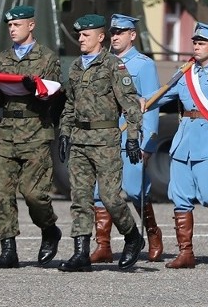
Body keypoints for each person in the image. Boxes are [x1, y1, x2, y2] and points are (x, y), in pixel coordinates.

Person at [144, 22, 208, 269]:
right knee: (180, 197)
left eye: (201, 43)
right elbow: (164, 97)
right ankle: (185, 253)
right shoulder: (186, 72)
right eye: (195, 43)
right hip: (184, 143)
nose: (197, 47)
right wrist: (143, 102)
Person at [58, 14, 145, 272]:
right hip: (80, 141)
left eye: (86, 35)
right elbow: (70, 105)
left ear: (100, 37)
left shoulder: (113, 65)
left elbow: (130, 105)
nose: (81, 39)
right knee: (80, 198)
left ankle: (132, 236)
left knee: (110, 198)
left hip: (106, 141)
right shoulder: (75, 67)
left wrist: (132, 139)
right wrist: (64, 133)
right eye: (79, 35)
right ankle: (81, 253)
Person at [0, 5, 63, 269]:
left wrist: (34, 89)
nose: (12, 30)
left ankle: (49, 228)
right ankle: (8, 249)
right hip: (7, 133)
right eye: (10, 26)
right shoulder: (1, 59)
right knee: (2, 193)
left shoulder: (47, 57)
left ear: (31, 25)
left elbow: (54, 97)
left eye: (17, 25)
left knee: (32, 193)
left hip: (36, 131)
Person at [90, 14, 164, 263]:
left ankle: (153, 234)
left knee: (134, 190)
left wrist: (148, 143)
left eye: (121, 32)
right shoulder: (103, 62)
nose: (116, 37)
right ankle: (103, 246)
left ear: (132, 35)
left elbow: (151, 105)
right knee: (100, 192)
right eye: (113, 33)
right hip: (106, 137)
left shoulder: (143, 65)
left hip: (132, 137)